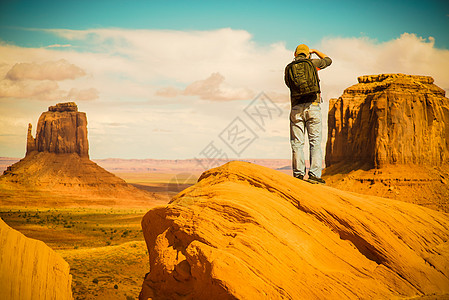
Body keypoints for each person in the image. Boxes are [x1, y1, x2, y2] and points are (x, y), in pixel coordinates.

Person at [284, 44, 332, 184]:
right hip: (313, 106)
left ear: (295, 54)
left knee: (297, 144)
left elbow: (288, 84)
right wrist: (315, 51)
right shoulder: (313, 64)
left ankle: (298, 175)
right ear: (307, 54)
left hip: (296, 108)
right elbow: (328, 60)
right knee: (315, 143)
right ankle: (314, 175)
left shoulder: (289, 68)